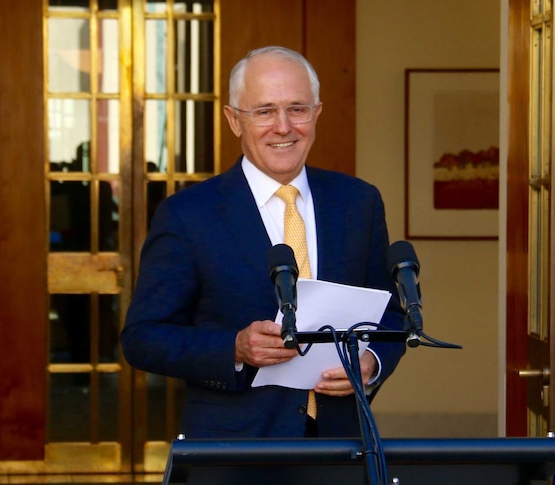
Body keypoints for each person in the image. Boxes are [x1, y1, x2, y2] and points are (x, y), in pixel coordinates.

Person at [120, 46, 406, 439]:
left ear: (317, 113)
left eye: (297, 109)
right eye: (264, 111)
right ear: (234, 121)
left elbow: (389, 313)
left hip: (342, 444)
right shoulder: (188, 214)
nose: (283, 126)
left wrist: (371, 361)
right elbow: (143, 338)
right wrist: (234, 348)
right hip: (236, 450)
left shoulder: (359, 202)